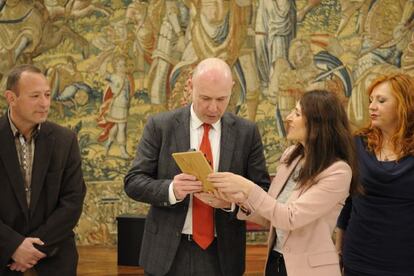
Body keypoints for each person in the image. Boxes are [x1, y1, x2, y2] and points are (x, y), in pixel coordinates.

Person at [124, 57, 270, 276]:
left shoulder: (246, 133)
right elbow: (133, 182)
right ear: (190, 86)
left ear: (232, 90)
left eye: (222, 99)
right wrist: (172, 189)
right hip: (167, 252)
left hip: (222, 255)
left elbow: (263, 190)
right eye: (205, 98)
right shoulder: (160, 126)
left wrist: (230, 203)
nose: (213, 108)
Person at [208, 90, 361, 276]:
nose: (288, 118)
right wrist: (232, 202)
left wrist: (247, 187)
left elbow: (290, 218)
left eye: (297, 114)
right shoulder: (291, 156)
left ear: (318, 123)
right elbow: (270, 215)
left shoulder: (338, 171)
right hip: (276, 262)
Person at [0, 64, 86, 275]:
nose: (45, 103)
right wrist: (14, 246)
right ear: (11, 98)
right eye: (35, 96)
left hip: (54, 252)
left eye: (47, 95)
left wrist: (32, 250)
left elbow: (73, 201)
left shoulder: (66, 140)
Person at [336, 73, 414, 276]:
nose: (371, 106)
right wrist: (338, 248)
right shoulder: (357, 144)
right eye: (371, 100)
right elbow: (348, 201)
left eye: (381, 100)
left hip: (405, 260)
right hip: (359, 257)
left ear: (403, 104)